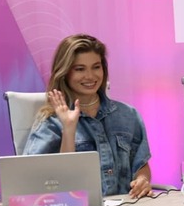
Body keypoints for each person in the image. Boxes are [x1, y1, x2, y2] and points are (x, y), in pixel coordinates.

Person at [24, 34, 152, 197]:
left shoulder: (128, 115)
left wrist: (142, 180)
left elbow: (140, 164)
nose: (90, 76)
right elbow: (41, 182)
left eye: (96, 67)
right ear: (64, 72)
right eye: (80, 69)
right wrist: (68, 130)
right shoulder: (51, 121)